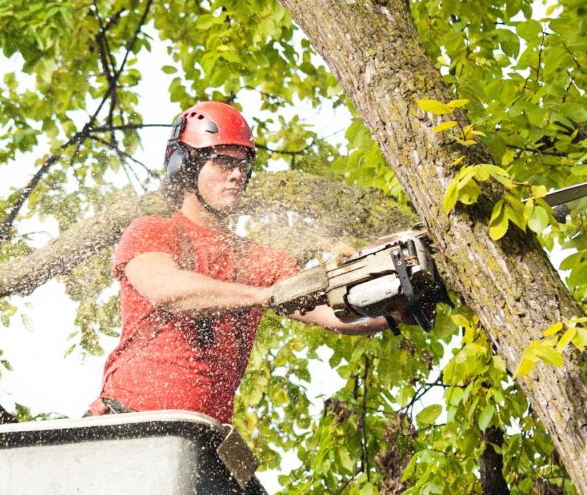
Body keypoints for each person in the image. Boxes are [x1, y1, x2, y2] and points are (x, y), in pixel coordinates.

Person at [90, 102, 398, 424]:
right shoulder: (154, 231)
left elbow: (333, 314)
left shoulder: (260, 261)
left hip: (204, 436)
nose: (237, 175)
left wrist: (394, 308)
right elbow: (167, 291)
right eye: (223, 161)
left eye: (243, 165)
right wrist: (261, 295)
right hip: (125, 424)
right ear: (186, 166)